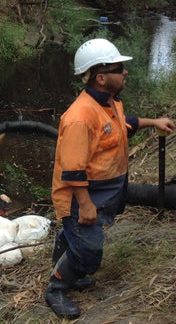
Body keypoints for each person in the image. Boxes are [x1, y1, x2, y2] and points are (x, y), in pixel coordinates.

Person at [45, 38, 175, 319]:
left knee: (81, 240)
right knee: (91, 252)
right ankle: (56, 286)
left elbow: (123, 124)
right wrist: (86, 204)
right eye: (119, 68)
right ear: (101, 77)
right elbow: (72, 170)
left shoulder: (108, 102)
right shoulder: (81, 117)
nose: (125, 72)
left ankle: (67, 246)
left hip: (103, 192)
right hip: (81, 197)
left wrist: (154, 123)